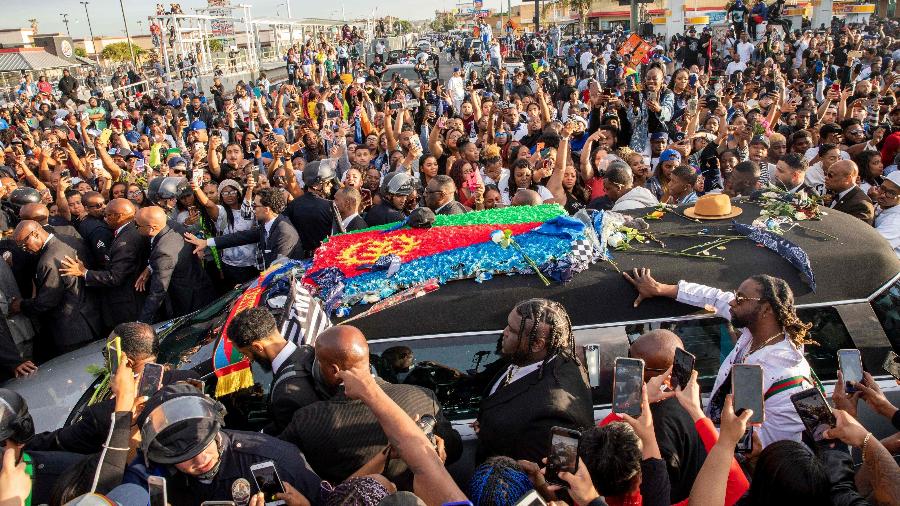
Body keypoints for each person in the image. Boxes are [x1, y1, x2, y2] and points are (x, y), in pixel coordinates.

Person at [623, 268, 814, 447]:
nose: (732, 302)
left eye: (740, 298)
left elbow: (755, 448)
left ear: (766, 310)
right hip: (712, 438)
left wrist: (694, 414)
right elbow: (714, 298)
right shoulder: (753, 330)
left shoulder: (788, 376)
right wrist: (660, 289)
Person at [279, 325, 462, 484]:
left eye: (319, 363)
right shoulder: (422, 397)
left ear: (334, 370)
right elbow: (454, 449)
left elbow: (278, 460)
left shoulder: (307, 420)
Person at [127, 383, 324, 504]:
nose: (201, 459)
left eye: (204, 445)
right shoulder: (159, 478)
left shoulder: (271, 462)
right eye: (185, 457)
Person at [476, 299, 593, 464]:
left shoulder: (557, 416)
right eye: (507, 325)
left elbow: (557, 478)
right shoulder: (529, 356)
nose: (504, 332)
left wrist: (491, 428)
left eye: (512, 330)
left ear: (537, 344)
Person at [9, 220, 100, 358]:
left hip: (72, 331)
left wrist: (20, 305)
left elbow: (46, 302)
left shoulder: (48, 261)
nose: (25, 250)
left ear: (35, 234)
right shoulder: (70, 240)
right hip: (91, 319)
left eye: (24, 245)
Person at [227, 307, 320, 435]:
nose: (249, 360)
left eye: (245, 353)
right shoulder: (309, 351)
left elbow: (292, 440)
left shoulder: (285, 394)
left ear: (257, 347)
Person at [59, 198, 149, 329]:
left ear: (118, 216)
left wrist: (84, 272)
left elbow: (116, 277)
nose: (104, 218)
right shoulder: (130, 231)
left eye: (107, 215)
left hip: (128, 303)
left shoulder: (125, 241)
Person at [185, 187, 301, 270]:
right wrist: (206, 242)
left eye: (255, 206)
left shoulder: (284, 233)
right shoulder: (267, 224)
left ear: (267, 209)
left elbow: (279, 268)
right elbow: (240, 237)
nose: (252, 209)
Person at [135, 206, 214, 323]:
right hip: (200, 285)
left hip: (187, 301)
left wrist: (141, 323)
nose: (134, 227)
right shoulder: (172, 225)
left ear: (151, 228)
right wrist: (149, 268)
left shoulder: (163, 252)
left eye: (137, 225)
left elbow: (158, 292)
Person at [283, 160, 336, 257]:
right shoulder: (330, 206)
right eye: (328, 183)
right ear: (316, 185)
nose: (331, 185)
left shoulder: (293, 205)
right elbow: (339, 236)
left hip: (299, 259)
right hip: (325, 258)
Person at [824, 160, 875, 225]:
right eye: (826, 174)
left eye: (831, 175)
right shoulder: (836, 193)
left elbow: (854, 232)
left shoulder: (862, 205)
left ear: (847, 178)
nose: (826, 178)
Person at [874, 171, 900, 258]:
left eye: (891, 193)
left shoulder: (895, 221)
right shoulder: (885, 205)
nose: (883, 195)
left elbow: (873, 245)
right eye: (882, 188)